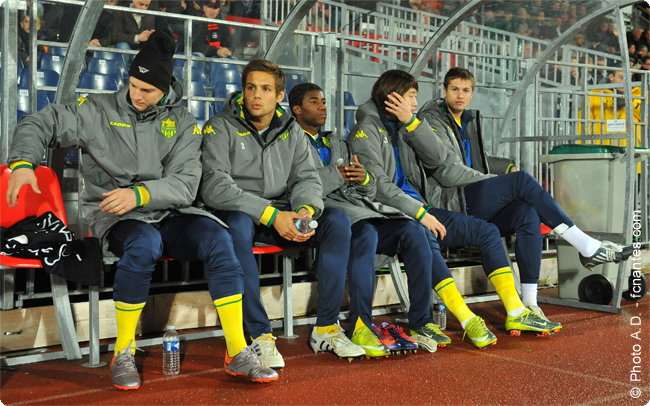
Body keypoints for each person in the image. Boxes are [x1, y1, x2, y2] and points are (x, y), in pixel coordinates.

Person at [6, 29, 277, 390]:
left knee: (218, 237)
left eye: (147, 90)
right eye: (133, 85)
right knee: (144, 243)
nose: (137, 94)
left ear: (165, 89)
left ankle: (237, 351)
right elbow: (40, 122)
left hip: (170, 212)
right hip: (118, 216)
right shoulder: (97, 110)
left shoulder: (182, 122)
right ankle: (123, 351)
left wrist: (140, 194)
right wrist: (23, 162)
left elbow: (186, 184)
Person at [348, 70, 562, 346]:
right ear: (394, 98)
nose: (415, 103)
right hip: (394, 213)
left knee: (491, 229)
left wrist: (411, 123)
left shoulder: (405, 125)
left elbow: (441, 159)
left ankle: (518, 311)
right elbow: (379, 186)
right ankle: (465, 318)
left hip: (420, 207)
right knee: (424, 235)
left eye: (415, 97)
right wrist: (421, 214)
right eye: (411, 96)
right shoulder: (366, 131)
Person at [417, 67, 634, 311]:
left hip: (471, 194)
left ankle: (529, 301)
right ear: (444, 90)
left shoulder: (465, 119)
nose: (460, 95)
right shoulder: (433, 120)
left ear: (472, 93)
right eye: (455, 89)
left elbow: (478, 159)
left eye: (466, 90)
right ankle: (585, 245)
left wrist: (506, 167)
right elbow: (449, 171)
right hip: (451, 200)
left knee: (526, 213)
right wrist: (496, 180)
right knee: (520, 182)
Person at [200, 59, 366, 367]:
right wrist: (272, 216)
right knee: (236, 226)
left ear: (279, 96)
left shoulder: (291, 129)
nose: (256, 95)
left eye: (265, 89)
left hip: (283, 211)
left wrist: (304, 210)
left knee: (337, 221)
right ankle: (259, 334)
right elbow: (214, 187)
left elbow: (307, 178)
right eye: (251, 87)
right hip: (240, 210)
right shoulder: (219, 126)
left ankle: (326, 328)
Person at [288, 83, 442, 354]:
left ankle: (421, 322)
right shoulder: (288, 142)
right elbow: (296, 186)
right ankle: (360, 324)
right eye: (314, 102)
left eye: (324, 101)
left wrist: (364, 178)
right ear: (296, 110)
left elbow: (368, 189)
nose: (323, 106)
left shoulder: (336, 141)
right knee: (366, 231)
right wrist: (336, 175)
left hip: (360, 208)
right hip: (322, 212)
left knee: (415, 231)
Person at [579, 62, 643, 151]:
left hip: (631, 148)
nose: (625, 81)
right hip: (602, 149)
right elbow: (582, 123)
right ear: (611, 77)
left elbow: (646, 118)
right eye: (621, 77)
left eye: (629, 77)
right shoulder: (595, 94)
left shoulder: (640, 94)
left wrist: (630, 102)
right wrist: (583, 149)